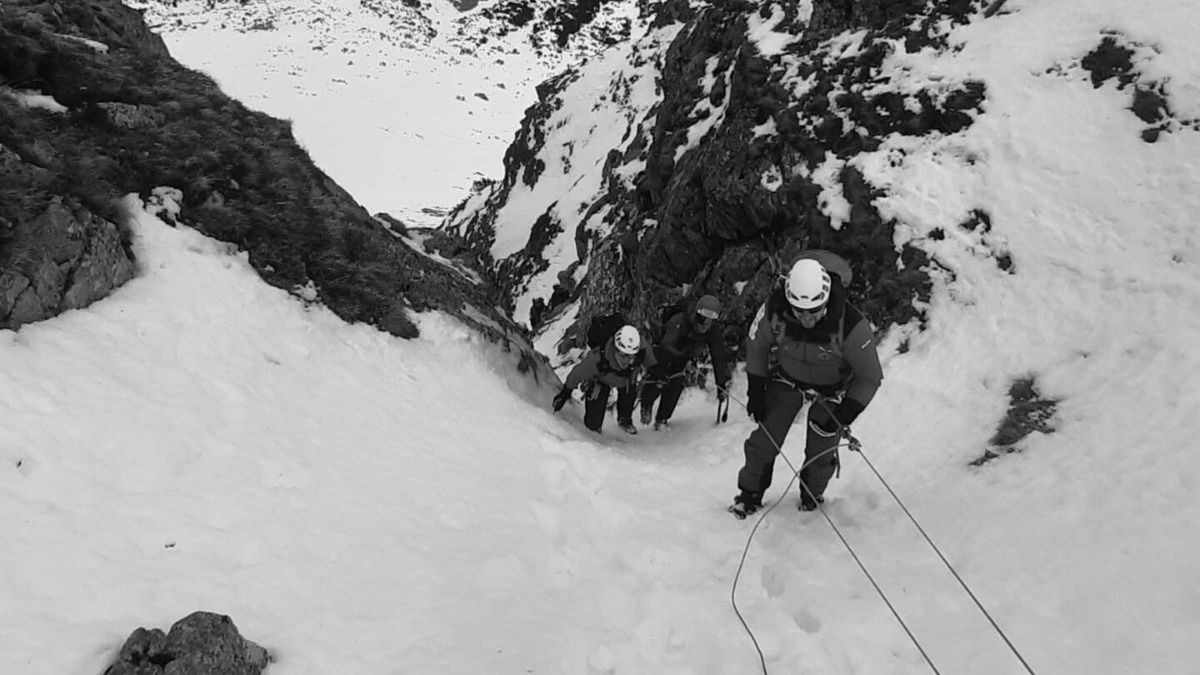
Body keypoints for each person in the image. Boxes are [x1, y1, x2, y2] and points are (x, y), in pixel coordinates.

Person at [729, 255, 883, 518]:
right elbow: (757, 345)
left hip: (832, 389)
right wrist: (756, 389)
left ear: (825, 301)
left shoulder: (852, 325)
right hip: (788, 380)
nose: (807, 318)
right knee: (764, 441)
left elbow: (869, 376)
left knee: (820, 451)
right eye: (800, 311)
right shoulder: (774, 310)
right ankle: (749, 494)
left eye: (814, 311)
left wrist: (845, 414)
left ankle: (811, 497)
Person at [639, 294, 732, 430]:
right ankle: (646, 404)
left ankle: (662, 418)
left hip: (685, 357)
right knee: (658, 377)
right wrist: (685, 359)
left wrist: (721, 384)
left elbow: (718, 356)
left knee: (678, 382)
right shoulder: (679, 321)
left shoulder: (712, 330)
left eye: (709, 321)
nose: (705, 325)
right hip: (665, 354)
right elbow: (666, 345)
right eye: (703, 320)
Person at [552, 325, 656, 434]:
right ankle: (594, 428)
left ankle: (624, 420)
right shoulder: (598, 359)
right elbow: (576, 374)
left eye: (630, 357)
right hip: (602, 380)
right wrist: (565, 393)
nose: (625, 360)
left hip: (627, 381)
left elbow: (652, 363)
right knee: (593, 423)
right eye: (622, 355)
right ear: (615, 349)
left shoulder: (641, 348)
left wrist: (655, 373)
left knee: (628, 394)